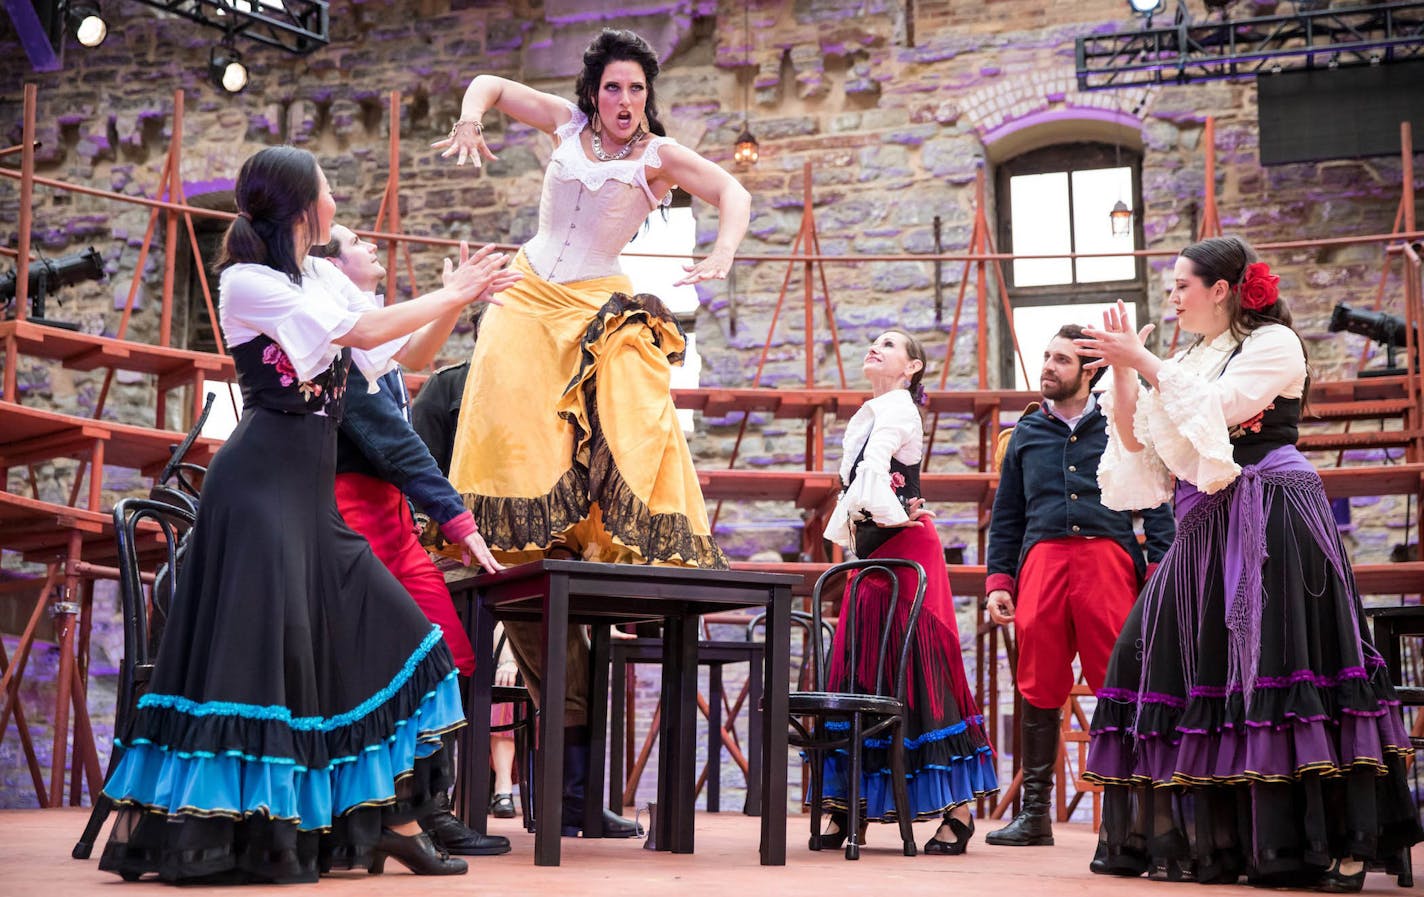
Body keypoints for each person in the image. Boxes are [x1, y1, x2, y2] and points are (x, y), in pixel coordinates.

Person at [96, 146, 510, 883]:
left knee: (404, 637)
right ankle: (257, 838)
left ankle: (396, 820)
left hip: (310, 498)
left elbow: (391, 352)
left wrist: (458, 298)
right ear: (298, 203)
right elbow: (357, 334)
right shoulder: (247, 282)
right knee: (262, 670)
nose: (334, 197)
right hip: (258, 491)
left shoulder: (317, 274)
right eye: (326, 187)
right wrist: (452, 294)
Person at [432, 28, 750, 837]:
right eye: (613, 88)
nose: (624, 102)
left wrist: (721, 253)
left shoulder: (658, 157)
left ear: (648, 97)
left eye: (637, 90)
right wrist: (471, 117)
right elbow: (492, 81)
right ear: (594, 93)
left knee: (630, 390)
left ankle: (605, 524)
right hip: (530, 287)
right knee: (507, 404)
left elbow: (733, 194)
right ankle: (502, 519)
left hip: (593, 299)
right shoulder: (564, 130)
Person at [1078, 235, 1422, 890]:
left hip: (1272, 511)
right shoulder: (1188, 357)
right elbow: (1140, 451)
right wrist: (1126, 373)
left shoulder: (1273, 345)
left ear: (1222, 289)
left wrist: (1146, 360)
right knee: (1163, 659)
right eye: (1171, 285)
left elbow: (1223, 411)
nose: (1173, 295)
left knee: (1286, 664)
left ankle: (1329, 842)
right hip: (1204, 523)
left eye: (1183, 284)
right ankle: (1226, 840)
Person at [311, 223, 515, 856]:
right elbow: (392, 442)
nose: (372, 246)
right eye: (354, 242)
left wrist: (457, 297)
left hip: (393, 518)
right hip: (354, 517)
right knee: (407, 661)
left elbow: (417, 356)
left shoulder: (368, 329)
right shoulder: (336, 338)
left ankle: (430, 806)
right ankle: (407, 811)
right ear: (331, 267)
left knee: (449, 655)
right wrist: (457, 521)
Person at [982, 325, 1175, 848]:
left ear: (1089, 371)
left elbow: (1156, 501)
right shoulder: (1025, 433)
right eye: (1046, 356)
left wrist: (1159, 570)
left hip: (1107, 561)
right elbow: (1007, 517)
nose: (1047, 365)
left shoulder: (1122, 422)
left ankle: (1128, 815)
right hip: (1041, 564)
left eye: (1060, 359)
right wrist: (999, 581)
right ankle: (1036, 814)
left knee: (1119, 684)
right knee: (1036, 685)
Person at [820, 329, 999, 856]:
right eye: (873, 341)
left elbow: (875, 478)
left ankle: (959, 811)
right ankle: (844, 804)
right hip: (874, 555)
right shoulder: (871, 412)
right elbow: (857, 494)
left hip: (906, 553)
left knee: (916, 670)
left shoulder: (897, 409)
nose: (875, 346)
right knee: (862, 669)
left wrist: (898, 513)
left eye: (891, 344)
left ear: (912, 368)